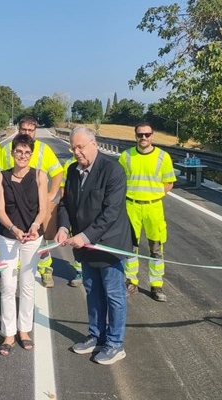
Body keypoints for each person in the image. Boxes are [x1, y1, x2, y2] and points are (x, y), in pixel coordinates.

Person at [55, 126, 132, 365]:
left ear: (94, 144)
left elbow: (111, 213)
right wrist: (64, 227)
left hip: (109, 245)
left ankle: (115, 344)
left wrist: (85, 236)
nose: (77, 152)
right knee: (93, 292)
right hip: (85, 246)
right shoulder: (73, 170)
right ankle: (95, 336)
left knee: (113, 295)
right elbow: (65, 204)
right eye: (73, 147)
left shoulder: (113, 170)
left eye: (81, 147)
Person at [0, 134, 48, 355]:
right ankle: (8, 333)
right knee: (8, 285)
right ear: (12, 152)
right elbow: (0, 210)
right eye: (19, 151)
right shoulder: (1, 177)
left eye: (27, 152)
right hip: (8, 236)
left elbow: (43, 209)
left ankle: (24, 330)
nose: (23, 156)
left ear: (31, 154)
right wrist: (14, 230)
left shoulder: (39, 176)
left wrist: (35, 226)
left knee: (27, 284)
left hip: (32, 237)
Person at [0, 116, 63, 288]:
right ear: (18, 130)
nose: (27, 133)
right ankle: (18, 270)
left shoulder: (43, 149)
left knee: (40, 240)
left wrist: (50, 195)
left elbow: (57, 172)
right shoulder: (7, 149)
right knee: (16, 238)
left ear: (35, 130)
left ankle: (45, 270)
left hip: (36, 205)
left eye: (31, 130)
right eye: (24, 130)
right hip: (14, 205)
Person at [119, 122, 176, 302]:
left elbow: (169, 182)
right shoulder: (126, 156)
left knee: (156, 248)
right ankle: (131, 281)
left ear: (153, 135)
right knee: (130, 247)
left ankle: (156, 285)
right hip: (131, 206)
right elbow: (118, 181)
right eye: (140, 135)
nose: (143, 138)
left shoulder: (162, 157)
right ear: (135, 136)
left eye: (147, 134)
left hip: (153, 207)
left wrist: (155, 194)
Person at [60, 156, 84, 287]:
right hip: (75, 209)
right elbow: (64, 186)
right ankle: (79, 271)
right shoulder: (70, 164)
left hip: (91, 211)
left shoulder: (104, 165)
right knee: (77, 244)